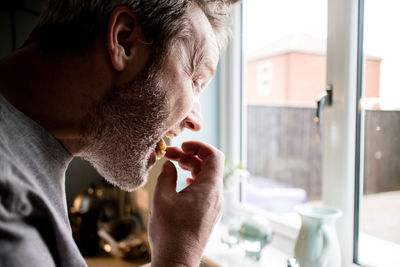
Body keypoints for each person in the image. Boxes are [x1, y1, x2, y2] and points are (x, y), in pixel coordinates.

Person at [0, 0, 230, 266]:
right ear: (124, 41)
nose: (195, 122)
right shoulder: (9, 203)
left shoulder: (30, 154)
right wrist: (179, 259)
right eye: (195, 80)